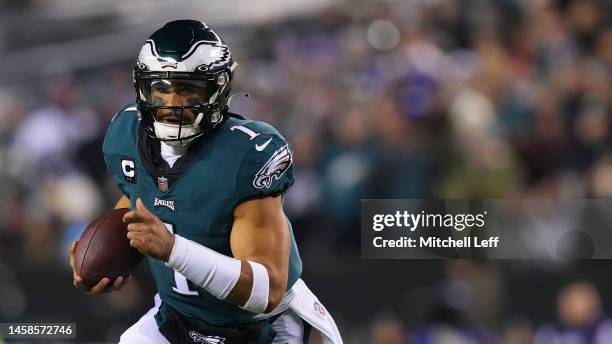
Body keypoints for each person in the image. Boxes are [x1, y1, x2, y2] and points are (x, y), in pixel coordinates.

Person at [68, 19, 342, 344]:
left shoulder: (246, 155)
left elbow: (266, 289)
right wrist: (108, 259)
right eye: (161, 88)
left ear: (216, 89)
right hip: (178, 316)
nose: (171, 103)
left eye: (186, 89)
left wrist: (172, 250)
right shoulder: (126, 135)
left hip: (261, 329)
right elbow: (138, 201)